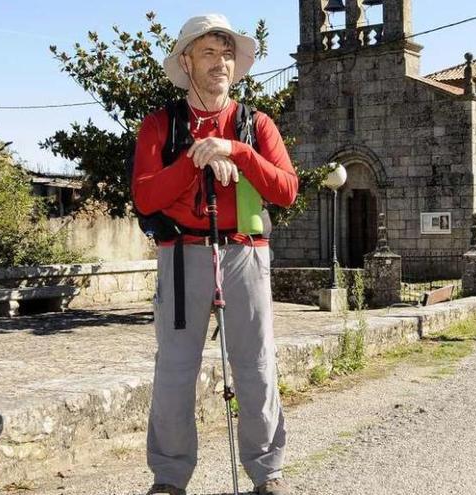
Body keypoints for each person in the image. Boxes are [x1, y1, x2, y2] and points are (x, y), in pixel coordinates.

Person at [132, 14, 298, 495]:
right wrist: (194, 158)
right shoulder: (159, 125)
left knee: (257, 365)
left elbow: (286, 190)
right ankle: (168, 479)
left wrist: (235, 151)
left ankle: (268, 475)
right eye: (209, 51)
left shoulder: (255, 124)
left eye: (227, 53)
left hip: (245, 254)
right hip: (183, 256)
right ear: (186, 61)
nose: (221, 61)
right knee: (175, 371)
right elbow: (145, 198)